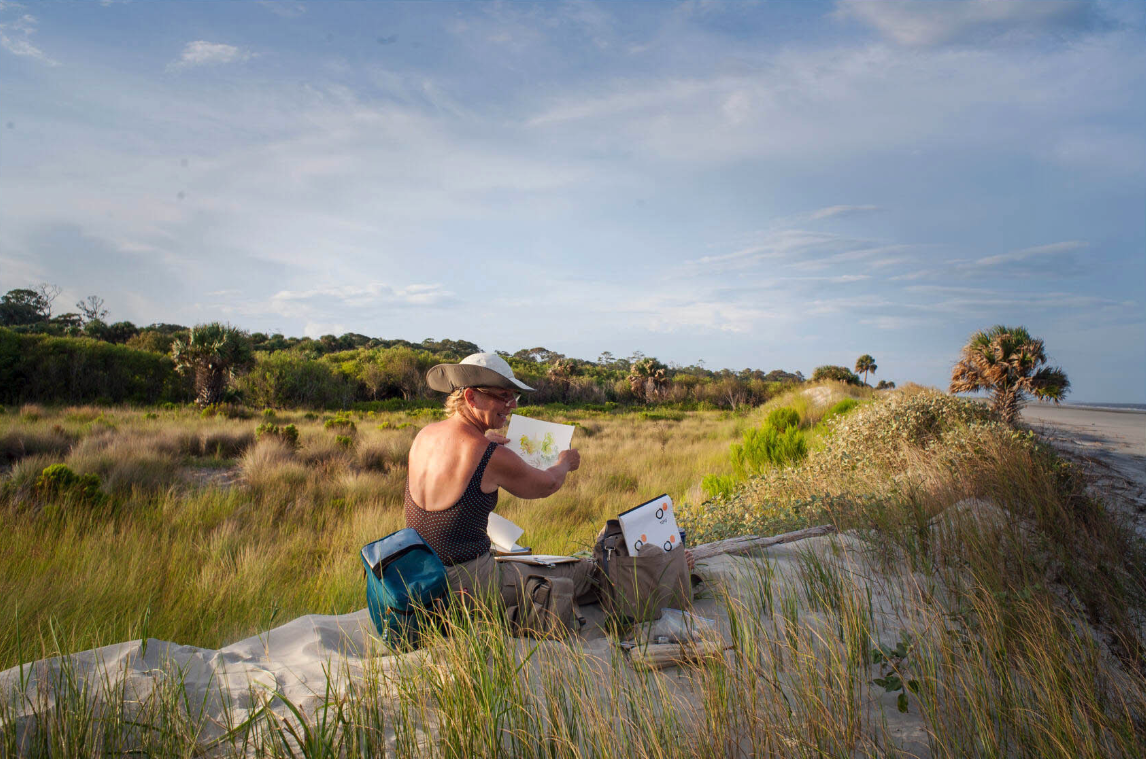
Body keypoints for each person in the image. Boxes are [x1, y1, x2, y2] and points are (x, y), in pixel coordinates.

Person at [403, 352, 597, 606]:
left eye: (513, 396)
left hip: (421, 572)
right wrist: (565, 463)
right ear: (471, 397)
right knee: (583, 573)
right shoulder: (488, 454)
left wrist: (485, 442)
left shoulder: (425, 435)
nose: (512, 405)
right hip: (466, 582)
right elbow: (546, 485)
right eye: (503, 396)